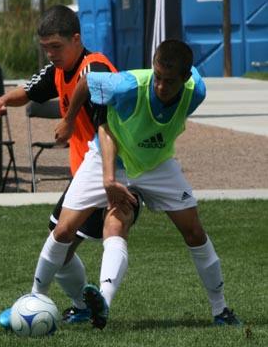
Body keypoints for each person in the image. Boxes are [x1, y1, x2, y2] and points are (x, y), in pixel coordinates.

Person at [53, 39, 242, 329]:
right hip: (113, 164)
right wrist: (68, 121)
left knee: (194, 232)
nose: (161, 86)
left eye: (169, 81)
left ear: (186, 78)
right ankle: (94, 302)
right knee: (82, 229)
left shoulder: (197, 91)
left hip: (157, 166)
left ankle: (221, 309)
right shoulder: (127, 85)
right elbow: (92, 94)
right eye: (157, 77)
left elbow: (170, 119)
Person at [0, 4, 140, 328]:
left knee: (105, 227)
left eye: (56, 47)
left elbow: (106, 123)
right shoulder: (57, 70)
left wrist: (68, 121)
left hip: (114, 169)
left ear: (76, 39)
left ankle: (49, 299)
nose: (51, 55)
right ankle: (83, 305)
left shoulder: (95, 66)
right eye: (45, 49)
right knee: (64, 244)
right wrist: (2, 100)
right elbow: (29, 91)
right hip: (85, 171)